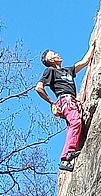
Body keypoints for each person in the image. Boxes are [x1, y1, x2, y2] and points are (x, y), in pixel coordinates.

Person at [35, 40, 95, 171]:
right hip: (65, 101)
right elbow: (39, 88)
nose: (58, 54)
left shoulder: (67, 70)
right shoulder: (50, 71)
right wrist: (52, 102)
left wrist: (92, 47)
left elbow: (83, 63)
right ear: (50, 60)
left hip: (71, 101)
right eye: (54, 54)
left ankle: (67, 155)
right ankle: (67, 155)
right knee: (76, 122)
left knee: (73, 126)